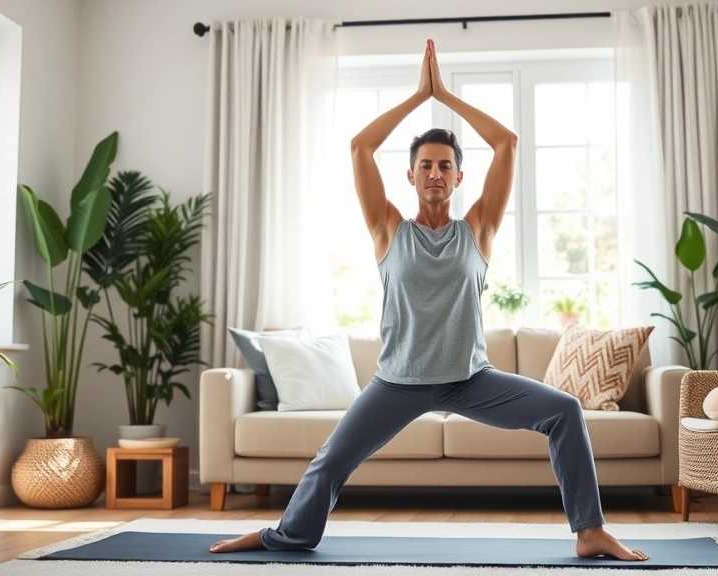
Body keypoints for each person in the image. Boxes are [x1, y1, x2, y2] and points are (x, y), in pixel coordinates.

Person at [209, 39, 648, 562]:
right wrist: (421, 96)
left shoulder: (478, 230)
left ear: (459, 177)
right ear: (411, 175)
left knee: (565, 411)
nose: (435, 173)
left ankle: (589, 529)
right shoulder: (388, 228)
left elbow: (506, 143)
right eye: (425, 165)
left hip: (471, 381)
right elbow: (359, 148)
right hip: (398, 381)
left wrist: (447, 95)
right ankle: (288, 536)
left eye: (445, 165)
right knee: (330, 461)